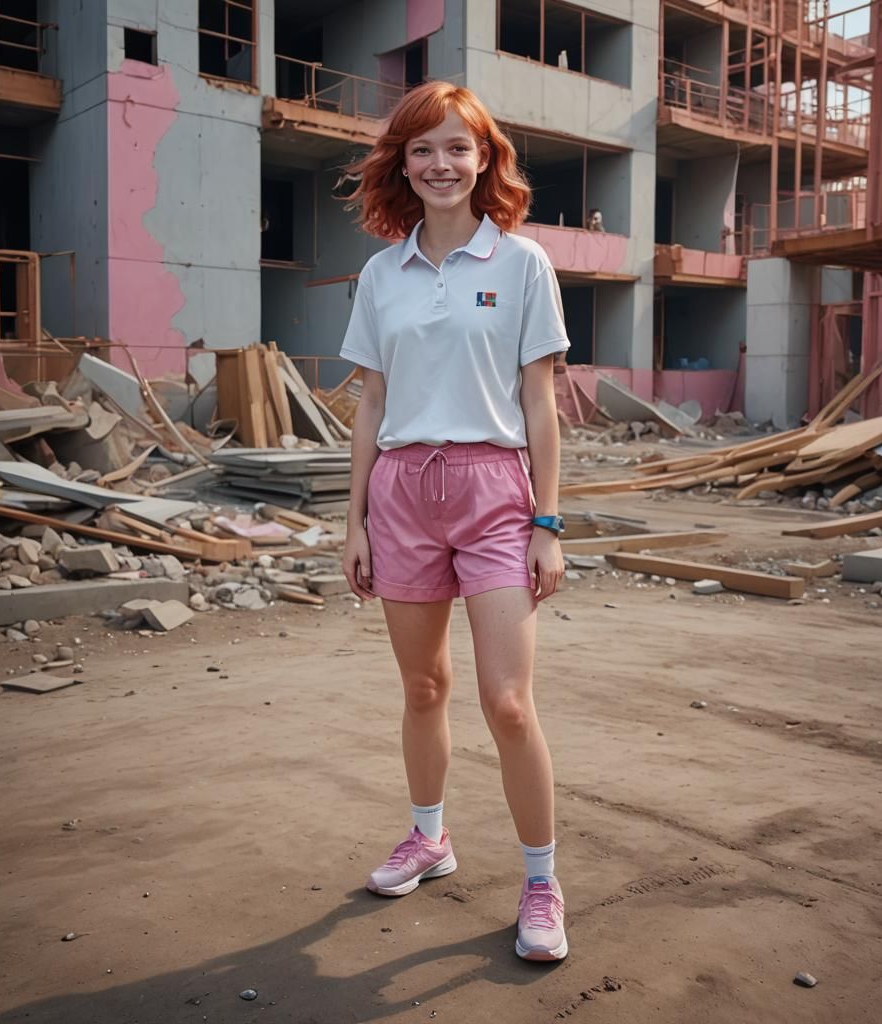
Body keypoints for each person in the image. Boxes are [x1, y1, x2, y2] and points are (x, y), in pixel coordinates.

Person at [338, 81, 571, 962]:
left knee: (508, 703)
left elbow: (541, 406)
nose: (440, 164)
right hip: (400, 490)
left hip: (493, 493)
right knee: (424, 688)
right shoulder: (380, 274)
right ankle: (430, 838)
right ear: (404, 164)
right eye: (422, 150)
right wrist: (353, 520)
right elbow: (370, 403)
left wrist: (548, 522)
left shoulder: (521, 265)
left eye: (456, 148)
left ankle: (542, 882)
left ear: (485, 161)